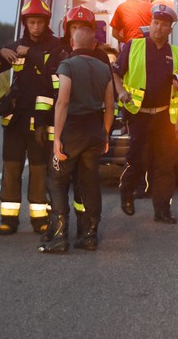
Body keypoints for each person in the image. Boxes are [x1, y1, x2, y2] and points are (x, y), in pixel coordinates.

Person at [40, 26, 114, 253]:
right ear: (94, 46)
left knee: (57, 180)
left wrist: (57, 138)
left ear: (72, 43)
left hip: (72, 129)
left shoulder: (68, 66)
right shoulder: (104, 68)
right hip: (95, 129)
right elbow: (110, 106)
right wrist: (106, 133)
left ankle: (60, 236)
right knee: (90, 183)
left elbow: (62, 102)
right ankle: (89, 235)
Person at [112, 3, 178, 224]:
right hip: (139, 115)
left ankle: (162, 210)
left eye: (164, 25)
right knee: (138, 160)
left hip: (163, 117)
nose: (158, 28)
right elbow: (115, 73)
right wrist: (121, 92)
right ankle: (127, 192)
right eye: (156, 23)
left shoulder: (175, 53)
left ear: (169, 29)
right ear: (150, 24)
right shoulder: (133, 46)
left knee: (165, 163)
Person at [0, 0, 61, 235]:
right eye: (31, 22)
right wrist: (0, 51)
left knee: (38, 169)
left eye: (39, 22)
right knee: (11, 168)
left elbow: (50, 68)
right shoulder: (14, 46)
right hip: (15, 121)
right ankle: (8, 219)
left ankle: (39, 218)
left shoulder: (55, 46)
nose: (35, 27)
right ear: (25, 23)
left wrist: (29, 52)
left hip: (41, 121)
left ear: (46, 23)